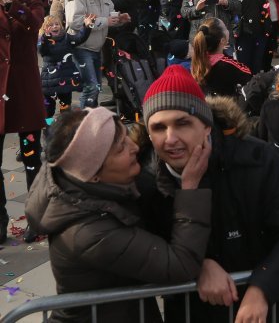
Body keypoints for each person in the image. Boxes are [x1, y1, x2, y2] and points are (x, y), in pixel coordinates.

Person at [142, 65, 279, 323]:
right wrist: (197, 265)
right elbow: (144, 251)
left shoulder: (257, 159)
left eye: (182, 123)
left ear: (207, 126)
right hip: (197, 313)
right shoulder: (144, 182)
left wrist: (262, 288)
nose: (170, 138)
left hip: (273, 310)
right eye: (159, 128)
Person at [24, 107, 212, 323]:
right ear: (93, 174)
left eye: (126, 135)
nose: (134, 147)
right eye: (121, 148)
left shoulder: (85, 185)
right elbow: (180, 265)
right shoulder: (89, 233)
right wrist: (190, 190)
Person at [0, 0, 47, 243]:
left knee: (31, 158)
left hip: (24, 93)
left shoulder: (32, 3)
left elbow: (33, 27)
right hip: (1, 94)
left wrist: (11, 4)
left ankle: (37, 219)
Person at [65, 0, 131, 108]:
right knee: (91, 87)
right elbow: (74, 22)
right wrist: (105, 21)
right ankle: (85, 121)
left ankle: (91, 118)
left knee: (97, 87)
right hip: (81, 47)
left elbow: (109, 15)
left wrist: (119, 18)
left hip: (96, 47)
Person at [38, 14, 94, 119]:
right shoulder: (43, 41)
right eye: (51, 25)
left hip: (66, 79)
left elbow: (79, 38)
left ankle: (63, 128)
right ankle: (48, 128)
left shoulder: (66, 38)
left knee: (66, 108)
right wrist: (45, 37)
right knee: (48, 110)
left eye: (57, 24)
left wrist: (86, 26)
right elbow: (42, 50)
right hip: (49, 81)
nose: (55, 27)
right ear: (45, 28)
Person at [190, 17, 252, 98]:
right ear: (222, 41)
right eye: (225, 28)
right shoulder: (227, 64)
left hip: (204, 106)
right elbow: (248, 76)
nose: (228, 30)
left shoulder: (198, 59)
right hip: (225, 107)